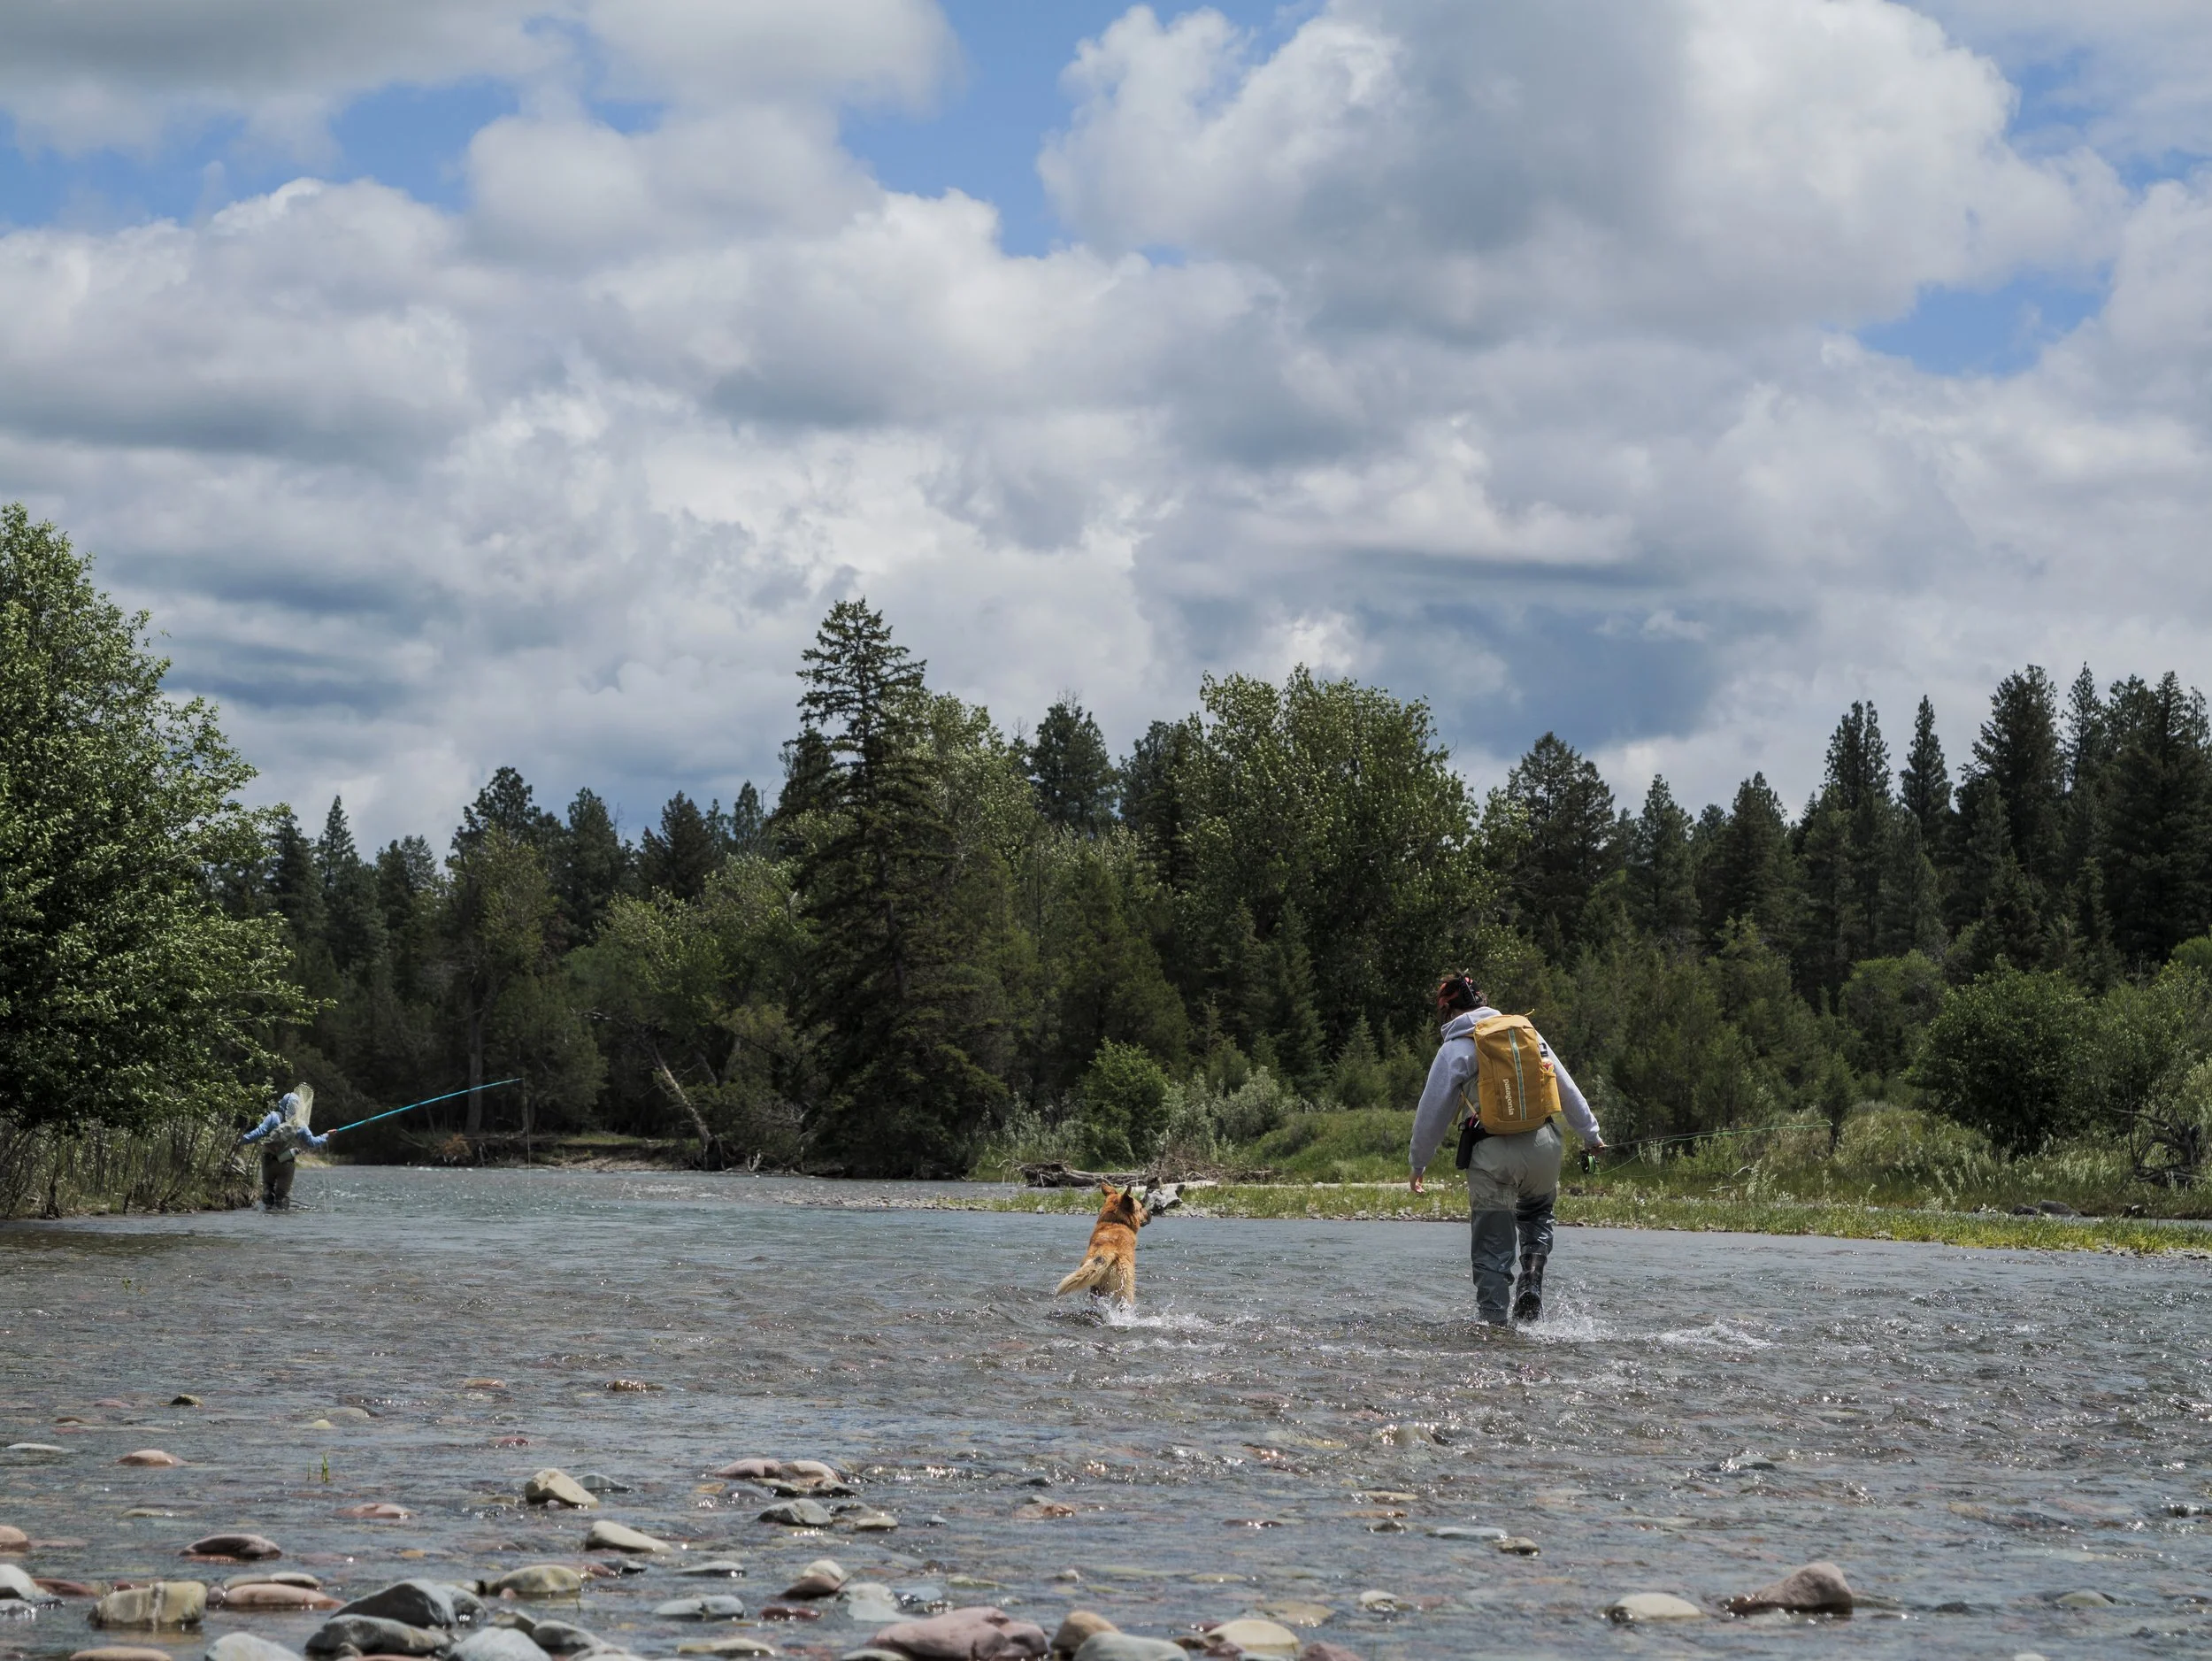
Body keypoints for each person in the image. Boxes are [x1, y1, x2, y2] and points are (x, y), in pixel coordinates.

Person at [1409, 975, 1604, 1324]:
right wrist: (1591, 1134)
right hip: (1544, 1146)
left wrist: (1418, 1162)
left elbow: (1431, 1114)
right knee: (1537, 1215)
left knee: (1492, 1250)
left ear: (1448, 1010)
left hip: (1492, 1154)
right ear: (1482, 1001)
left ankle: (1494, 1329)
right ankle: (1532, 1276)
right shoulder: (1526, 1033)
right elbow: (1566, 1087)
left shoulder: (1454, 1049)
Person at [241, 1086, 326, 1210]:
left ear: (282, 1104)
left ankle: (267, 1211)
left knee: (268, 1191)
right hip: (286, 1163)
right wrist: (326, 1135)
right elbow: (313, 1142)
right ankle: (281, 1214)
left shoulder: (273, 1117)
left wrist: (240, 1141)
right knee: (282, 1197)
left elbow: (258, 1133)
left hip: (268, 1161)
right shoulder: (300, 1124)